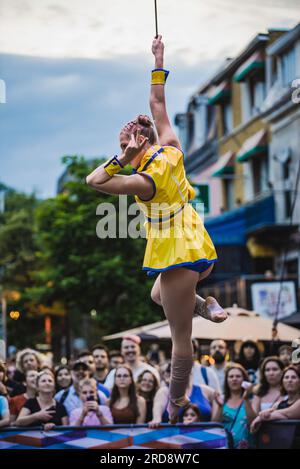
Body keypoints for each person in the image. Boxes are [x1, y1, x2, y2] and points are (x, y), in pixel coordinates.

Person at [86, 35, 227, 423]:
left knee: (180, 336)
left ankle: (178, 398)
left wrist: (121, 159)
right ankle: (205, 304)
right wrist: (158, 61)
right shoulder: (170, 149)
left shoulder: (143, 181)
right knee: (156, 295)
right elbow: (158, 102)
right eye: (123, 133)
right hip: (194, 244)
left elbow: (94, 181)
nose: (126, 130)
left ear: (136, 146)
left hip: (179, 253)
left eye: (126, 135)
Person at [149, 368, 215, 428]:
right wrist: (156, 419)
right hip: (173, 438)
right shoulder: (165, 391)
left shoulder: (206, 390)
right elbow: (158, 407)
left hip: (204, 437)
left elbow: (219, 404)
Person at [212, 364, 256, 449]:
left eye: (238, 376)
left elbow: (253, 423)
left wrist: (246, 399)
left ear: (244, 380)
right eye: (231, 376)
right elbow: (214, 425)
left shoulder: (253, 399)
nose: (234, 379)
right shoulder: (220, 399)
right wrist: (220, 407)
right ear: (226, 380)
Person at [251, 365, 300, 433]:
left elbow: (289, 413)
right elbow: (283, 416)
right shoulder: (278, 404)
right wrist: (269, 414)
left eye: (294, 377)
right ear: (282, 382)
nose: (289, 380)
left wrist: (262, 416)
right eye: (286, 377)